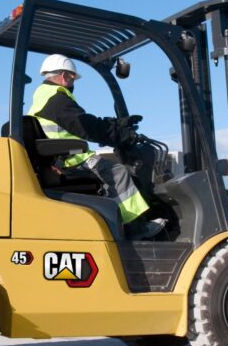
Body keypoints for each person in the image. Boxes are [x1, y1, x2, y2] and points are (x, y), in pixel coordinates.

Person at [28, 54, 166, 240]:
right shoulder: (56, 99)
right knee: (118, 173)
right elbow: (87, 127)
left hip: (62, 156)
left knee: (113, 172)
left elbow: (83, 123)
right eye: (72, 78)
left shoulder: (43, 97)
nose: (73, 83)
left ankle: (119, 222)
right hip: (72, 159)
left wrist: (117, 124)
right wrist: (121, 134)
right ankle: (137, 229)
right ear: (64, 76)